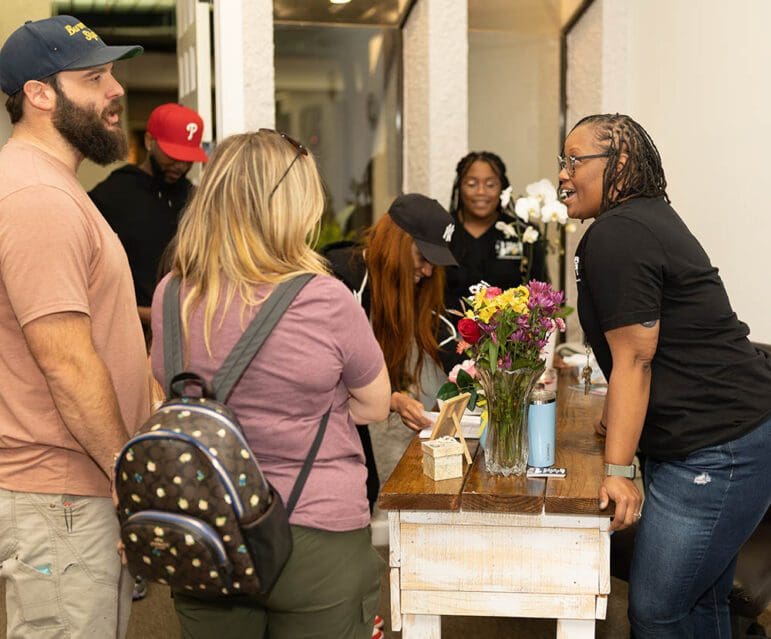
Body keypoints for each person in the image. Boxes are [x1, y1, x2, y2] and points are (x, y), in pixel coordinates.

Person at [150, 129, 391, 639]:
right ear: (291, 206)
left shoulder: (172, 294)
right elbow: (375, 406)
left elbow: (168, 392)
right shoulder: (324, 299)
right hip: (314, 532)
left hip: (205, 525)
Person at [560, 112, 771, 638]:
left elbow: (636, 359)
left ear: (621, 163)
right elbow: (638, 350)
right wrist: (614, 422)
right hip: (726, 437)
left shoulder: (620, 233)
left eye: (573, 161)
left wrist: (618, 470)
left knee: (655, 609)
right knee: (701, 602)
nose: (563, 174)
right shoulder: (641, 221)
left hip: (717, 447)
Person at [0, 15, 150, 639]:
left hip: (70, 488)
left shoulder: (55, 187)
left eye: (112, 73)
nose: (115, 90)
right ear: (39, 93)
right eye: (94, 78)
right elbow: (65, 360)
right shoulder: (39, 196)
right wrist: (126, 474)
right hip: (61, 493)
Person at [324, 194, 459, 517]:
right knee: (363, 488)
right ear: (397, 241)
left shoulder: (416, 285)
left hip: (362, 413)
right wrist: (392, 399)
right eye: (423, 257)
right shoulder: (339, 281)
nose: (428, 271)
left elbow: (445, 338)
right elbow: (328, 374)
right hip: (325, 424)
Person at [90, 102, 208, 334]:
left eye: (188, 158)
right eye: (172, 156)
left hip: (187, 331)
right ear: (149, 142)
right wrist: (143, 313)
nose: (181, 165)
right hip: (128, 330)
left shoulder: (197, 200)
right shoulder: (111, 196)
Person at [445, 151, 547, 311]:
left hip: (509, 333)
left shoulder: (523, 234)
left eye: (490, 185)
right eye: (471, 184)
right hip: (450, 332)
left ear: (502, 188)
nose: (481, 192)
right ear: (459, 187)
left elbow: (540, 292)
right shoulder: (442, 231)